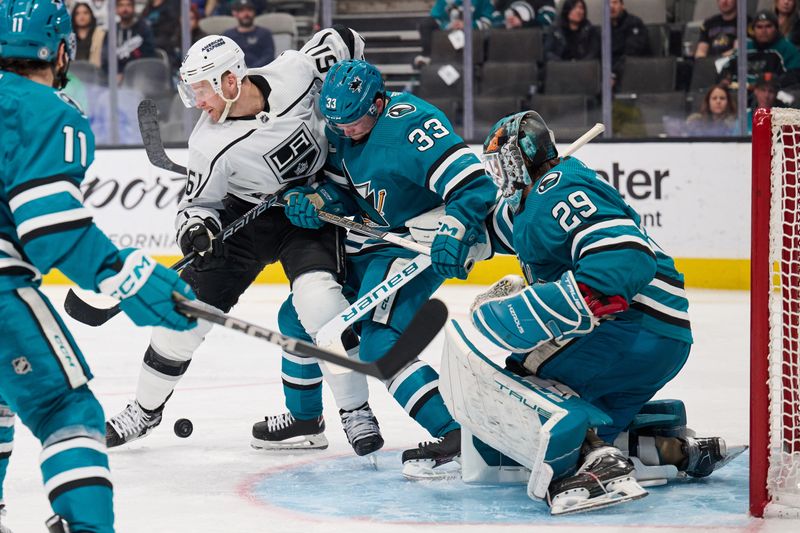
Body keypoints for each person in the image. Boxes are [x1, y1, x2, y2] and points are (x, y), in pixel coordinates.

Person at [102, 28, 387, 462]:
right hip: (246, 215)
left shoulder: (295, 71)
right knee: (184, 315)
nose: (197, 101)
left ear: (231, 81)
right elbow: (197, 203)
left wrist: (354, 73)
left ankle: (356, 410)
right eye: (192, 90)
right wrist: (196, 228)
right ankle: (144, 411)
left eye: (202, 89)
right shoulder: (208, 143)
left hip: (309, 207)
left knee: (319, 305)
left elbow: (345, 38)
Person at [451, 110, 740, 514]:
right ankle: (672, 449)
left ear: (521, 160)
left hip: (629, 328)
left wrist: (546, 307)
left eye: (502, 165)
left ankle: (602, 466)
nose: (499, 176)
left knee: (526, 377)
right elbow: (504, 227)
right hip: (666, 339)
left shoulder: (557, 190)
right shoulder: (543, 194)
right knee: (592, 424)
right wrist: (457, 239)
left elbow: (625, 259)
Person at [0, 0, 197, 531]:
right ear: (62, 50)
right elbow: (52, 231)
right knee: (66, 410)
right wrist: (130, 277)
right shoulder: (46, 110)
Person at [271, 58, 498, 477]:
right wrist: (318, 203)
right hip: (371, 242)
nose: (345, 131)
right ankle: (306, 419)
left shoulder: (413, 125)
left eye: (354, 121)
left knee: (379, 343)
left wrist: (456, 225)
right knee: (295, 316)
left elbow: (474, 185)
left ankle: (459, 433)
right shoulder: (340, 130)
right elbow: (344, 195)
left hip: (414, 244)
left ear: (378, 103)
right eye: (337, 123)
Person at [719, 10, 800, 90]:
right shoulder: (745, 48)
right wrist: (725, 78)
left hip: (772, 94)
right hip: (739, 93)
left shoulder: (787, 49)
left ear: (776, 28)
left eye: (768, 26)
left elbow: (794, 75)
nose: (764, 31)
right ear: (753, 30)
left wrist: (764, 86)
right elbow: (727, 67)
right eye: (759, 27)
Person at [415, 0, 495, 68]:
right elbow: (436, 18)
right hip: (448, 34)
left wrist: (468, 25)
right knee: (426, 23)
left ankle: (480, 65)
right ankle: (427, 56)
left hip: (473, 37)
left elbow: (488, 21)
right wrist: (449, 25)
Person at [100, 0, 157, 82]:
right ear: (116, 9)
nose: (125, 9)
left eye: (128, 5)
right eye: (121, 5)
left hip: (140, 78)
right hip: (115, 81)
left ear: (133, 8)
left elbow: (149, 56)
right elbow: (106, 59)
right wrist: (115, 74)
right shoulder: (112, 32)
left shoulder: (144, 29)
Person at [223, 0, 274, 68]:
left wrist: (251, 70)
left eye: (249, 10)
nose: (246, 14)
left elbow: (269, 56)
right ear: (235, 14)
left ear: (254, 12)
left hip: (260, 72)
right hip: (236, 74)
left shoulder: (265, 33)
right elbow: (225, 58)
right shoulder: (228, 35)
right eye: (242, 11)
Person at [609, 0, 650, 85]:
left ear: (622, 6)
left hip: (634, 72)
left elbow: (631, 53)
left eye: (615, 2)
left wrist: (614, 74)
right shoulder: (606, 28)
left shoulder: (634, 23)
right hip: (612, 73)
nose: (611, 6)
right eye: (608, 3)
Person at [141, 0, 181, 69]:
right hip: (149, 41)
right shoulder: (148, 7)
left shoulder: (171, 5)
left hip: (164, 44)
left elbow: (170, 29)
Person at [72, 2, 105, 67]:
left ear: (91, 15)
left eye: (85, 13)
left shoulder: (101, 35)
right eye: (77, 13)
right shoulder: (69, 36)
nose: (82, 16)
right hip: (72, 73)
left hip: (94, 72)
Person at [492, 1, 556, 29]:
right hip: (505, 41)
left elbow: (548, 19)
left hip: (534, 43)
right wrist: (507, 22)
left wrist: (523, 23)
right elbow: (494, 17)